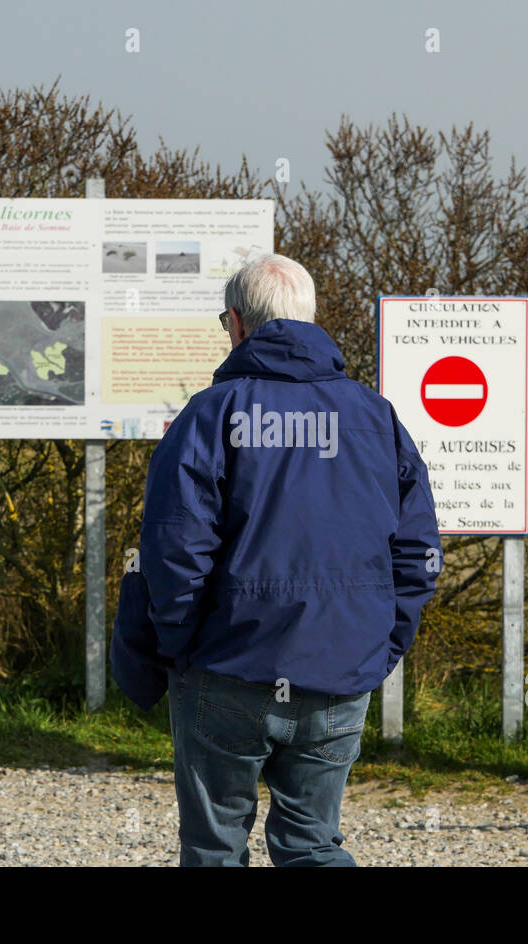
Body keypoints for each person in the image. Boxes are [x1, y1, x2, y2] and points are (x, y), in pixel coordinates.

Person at [111, 254, 441, 866]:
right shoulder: (376, 418)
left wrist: (181, 645)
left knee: (214, 848)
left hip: (225, 668)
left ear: (236, 323)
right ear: (311, 319)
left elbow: (173, 551)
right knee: (313, 845)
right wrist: (378, 645)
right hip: (341, 672)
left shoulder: (209, 415)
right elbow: (417, 551)